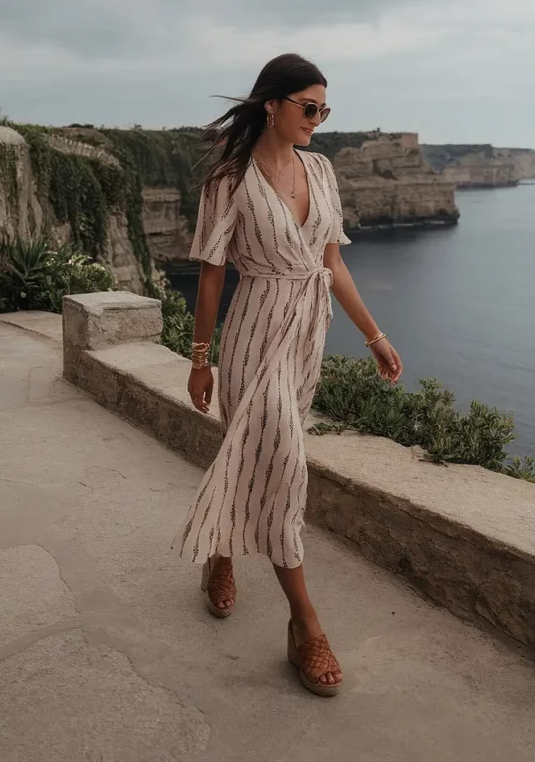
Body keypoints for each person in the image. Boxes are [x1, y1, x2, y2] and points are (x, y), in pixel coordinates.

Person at [172, 53, 403, 697]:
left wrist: (375, 335)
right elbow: (212, 272)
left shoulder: (322, 170)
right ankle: (306, 624)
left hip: (308, 334)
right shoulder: (229, 178)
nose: (317, 120)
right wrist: (200, 359)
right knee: (286, 461)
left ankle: (222, 552)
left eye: (324, 110)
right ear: (271, 104)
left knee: (260, 454)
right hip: (253, 332)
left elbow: (332, 266)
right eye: (309, 107)